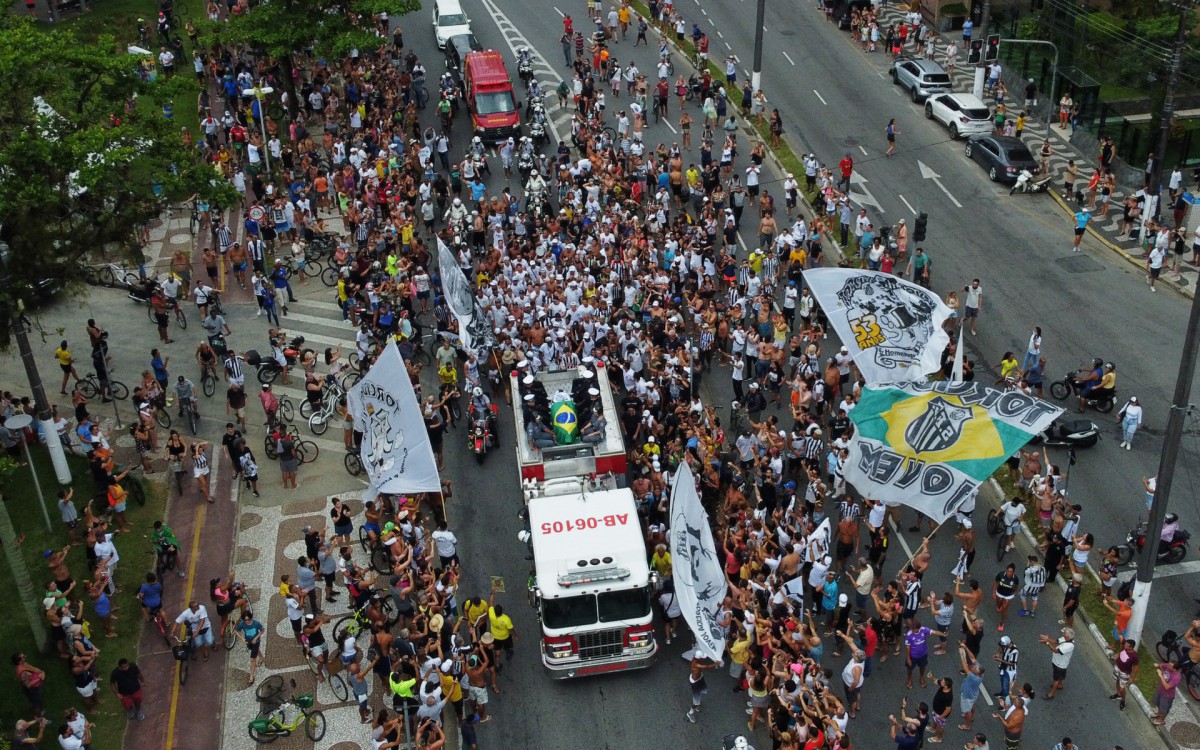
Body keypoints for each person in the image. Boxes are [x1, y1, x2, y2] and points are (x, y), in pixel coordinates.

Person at [1041, 626, 1074, 699]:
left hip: (1060, 665)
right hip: (1058, 662)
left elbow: (1056, 651)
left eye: (1064, 633)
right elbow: (1056, 641)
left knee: (1056, 679)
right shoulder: (1066, 638)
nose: (1062, 633)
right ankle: (1060, 685)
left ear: (1067, 637)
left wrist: (1047, 643)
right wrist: (1048, 639)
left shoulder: (1069, 646)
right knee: (1060, 676)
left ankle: (1051, 694)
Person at [684, 654, 717, 723]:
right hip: (695, 682)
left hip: (700, 678)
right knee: (696, 701)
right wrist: (716, 663)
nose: (704, 658)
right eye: (703, 657)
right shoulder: (696, 664)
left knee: (702, 691)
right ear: (698, 658)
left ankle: (697, 705)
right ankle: (690, 713)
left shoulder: (696, 658)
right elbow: (707, 667)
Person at [1110, 638, 1139, 710]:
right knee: (1117, 681)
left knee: (1122, 688)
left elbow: (1136, 668)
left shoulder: (1134, 656)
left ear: (1131, 647)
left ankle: (1123, 700)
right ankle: (1118, 694)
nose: (1124, 645)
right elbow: (1121, 650)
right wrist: (1117, 655)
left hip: (1125, 673)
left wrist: (1132, 678)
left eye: (1126, 645)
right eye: (1125, 644)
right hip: (1117, 668)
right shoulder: (1124, 647)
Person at [1152, 660, 1182, 725]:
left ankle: (1161, 720)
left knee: (1164, 709)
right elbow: (1161, 665)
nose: (1167, 666)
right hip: (1160, 690)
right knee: (1158, 703)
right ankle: (1159, 713)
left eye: (1170, 666)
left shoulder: (1176, 677)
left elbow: (1167, 686)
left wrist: (1160, 675)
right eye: (1168, 664)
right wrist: (1159, 665)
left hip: (1167, 696)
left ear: (1174, 669)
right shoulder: (1168, 667)